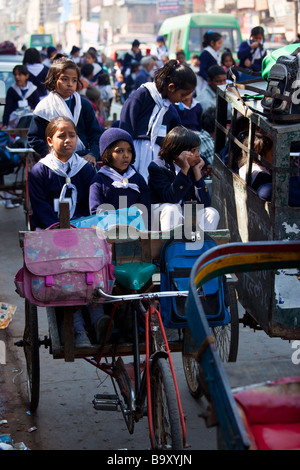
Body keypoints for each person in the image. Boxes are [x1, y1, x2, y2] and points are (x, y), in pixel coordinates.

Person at [28, 116, 107, 347]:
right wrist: (60, 229)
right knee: (65, 271)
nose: (68, 140)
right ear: (50, 141)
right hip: (51, 232)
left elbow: (90, 202)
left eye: (72, 135)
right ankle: (76, 325)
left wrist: (79, 227)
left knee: (89, 264)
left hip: (81, 230)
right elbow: (40, 207)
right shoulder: (40, 171)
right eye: (61, 136)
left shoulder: (86, 170)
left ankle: (96, 314)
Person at [119, 59, 196, 180]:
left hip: (157, 162)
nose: (183, 99)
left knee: (152, 194)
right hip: (134, 156)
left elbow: (180, 137)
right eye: (183, 95)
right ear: (171, 87)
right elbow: (125, 128)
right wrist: (125, 155)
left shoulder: (169, 109)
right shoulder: (141, 96)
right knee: (127, 191)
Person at [27, 57, 103, 166]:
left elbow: (95, 134)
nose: (70, 84)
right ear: (54, 80)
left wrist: (93, 154)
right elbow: (34, 138)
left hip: (84, 158)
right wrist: (51, 154)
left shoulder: (84, 105)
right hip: (55, 161)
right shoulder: (44, 108)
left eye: (74, 80)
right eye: (64, 79)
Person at [148, 126, 219, 231]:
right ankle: (172, 246)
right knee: (171, 209)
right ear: (177, 152)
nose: (198, 154)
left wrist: (197, 172)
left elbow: (205, 203)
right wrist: (184, 170)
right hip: (161, 217)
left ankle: (203, 246)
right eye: (193, 150)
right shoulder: (157, 167)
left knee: (212, 213)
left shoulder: (191, 167)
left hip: (182, 214)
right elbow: (171, 198)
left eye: (198, 150)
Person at [89, 127, 151, 229]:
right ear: (107, 153)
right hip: (109, 234)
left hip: (137, 233)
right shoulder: (100, 180)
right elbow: (96, 211)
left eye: (129, 151)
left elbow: (146, 209)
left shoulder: (137, 179)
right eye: (119, 151)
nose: (126, 155)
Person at [1, 65, 41, 129]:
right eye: (15, 75)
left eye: (20, 74)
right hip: (15, 118)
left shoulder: (32, 89)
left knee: (29, 117)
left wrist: (33, 110)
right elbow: (7, 109)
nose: (17, 77)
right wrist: (5, 124)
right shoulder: (12, 90)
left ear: (26, 76)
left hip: (30, 117)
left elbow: (38, 106)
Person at [238, 132, 273, 201]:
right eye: (272, 154)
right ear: (261, 156)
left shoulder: (245, 167)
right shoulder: (262, 177)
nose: (275, 157)